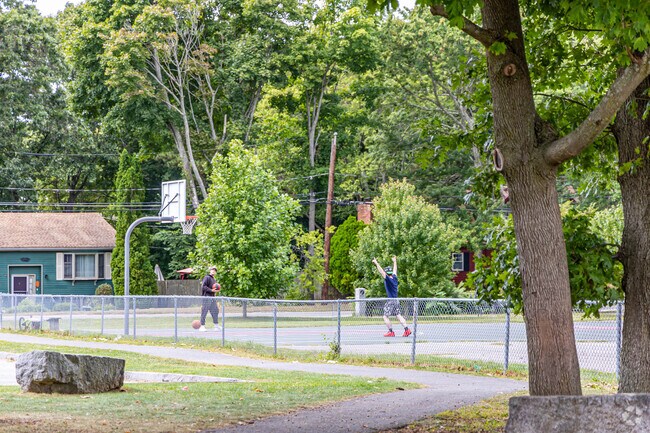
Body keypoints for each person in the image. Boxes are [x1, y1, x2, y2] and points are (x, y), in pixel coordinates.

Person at [372, 256, 411, 337]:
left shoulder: (388, 279)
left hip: (391, 300)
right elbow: (395, 271)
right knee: (398, 315)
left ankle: (391, 332)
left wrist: (376, 263)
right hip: (396, 300)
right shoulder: (394, 278)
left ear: (386, 273)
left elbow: (382, 272)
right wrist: (394, 262)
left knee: (385, 316)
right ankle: (407, 329)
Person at [199, 266, 221, 332]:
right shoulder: (207, 277)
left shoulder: (214, 280)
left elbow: (214, 290)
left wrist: (215, 292)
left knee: (215, 311)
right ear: (210, 271)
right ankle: (202, 326)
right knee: (204, 311)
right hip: (206, 297)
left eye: (215, 270)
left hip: (212, 298)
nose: (213, 271)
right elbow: (203, 287)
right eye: (212, 270)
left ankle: (216, 326)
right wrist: (211, 290)